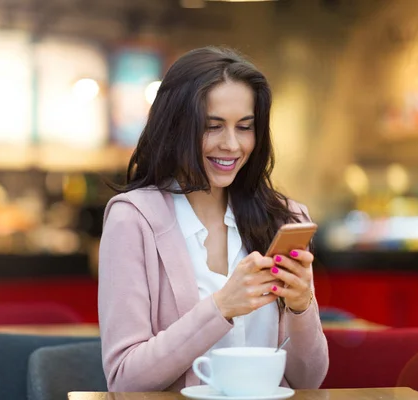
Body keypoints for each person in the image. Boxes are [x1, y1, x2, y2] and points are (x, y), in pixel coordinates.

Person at [98, 46, 329, 392]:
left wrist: (301, 308)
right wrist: (221, 308)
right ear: (176, 128)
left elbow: (309, 380)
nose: (232, 145)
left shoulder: (284, 218)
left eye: (245, 127)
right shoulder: (133, 220)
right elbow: (126, 380)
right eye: (213, 126)